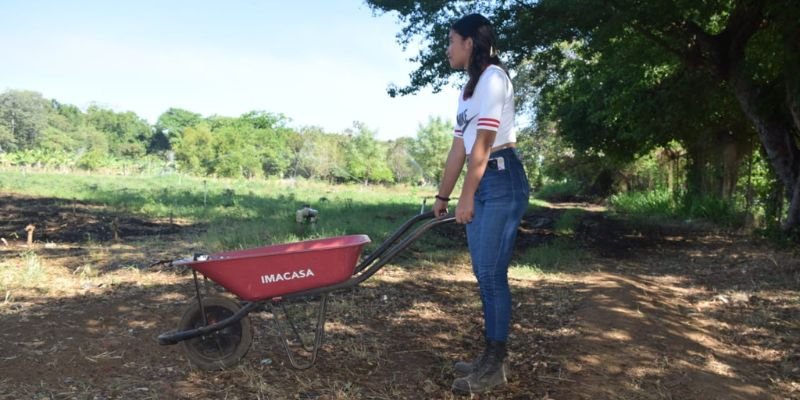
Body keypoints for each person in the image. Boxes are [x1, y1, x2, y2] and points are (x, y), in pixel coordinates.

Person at [432, 13, 530, 395]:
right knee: (483, 274)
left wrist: (466, 195)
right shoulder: (468, 90)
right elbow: (459, 147)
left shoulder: (493, 78)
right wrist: (443, 195)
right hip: (484, 178)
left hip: (501, 179)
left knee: (491, 274)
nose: (448, 48)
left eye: (452, 41)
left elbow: (484, 146)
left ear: (469, 43)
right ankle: (491, 358)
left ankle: (495, 362)